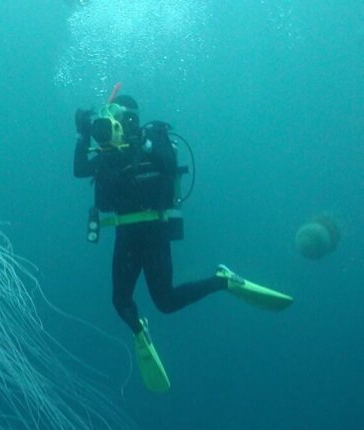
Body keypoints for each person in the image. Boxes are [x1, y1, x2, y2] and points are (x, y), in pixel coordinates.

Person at [72, 92, 294, 392]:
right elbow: (79, 170)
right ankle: (140, 331)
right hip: (125, 234)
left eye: (121, 117)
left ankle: (224, 281)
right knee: (119, 301)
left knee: (165, 302)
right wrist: (83, 134)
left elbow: (167, 164)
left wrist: (143, 143)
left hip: (154, 231)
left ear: (131, 117)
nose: (115, 124)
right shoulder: (108, 151)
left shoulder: (154, 135)